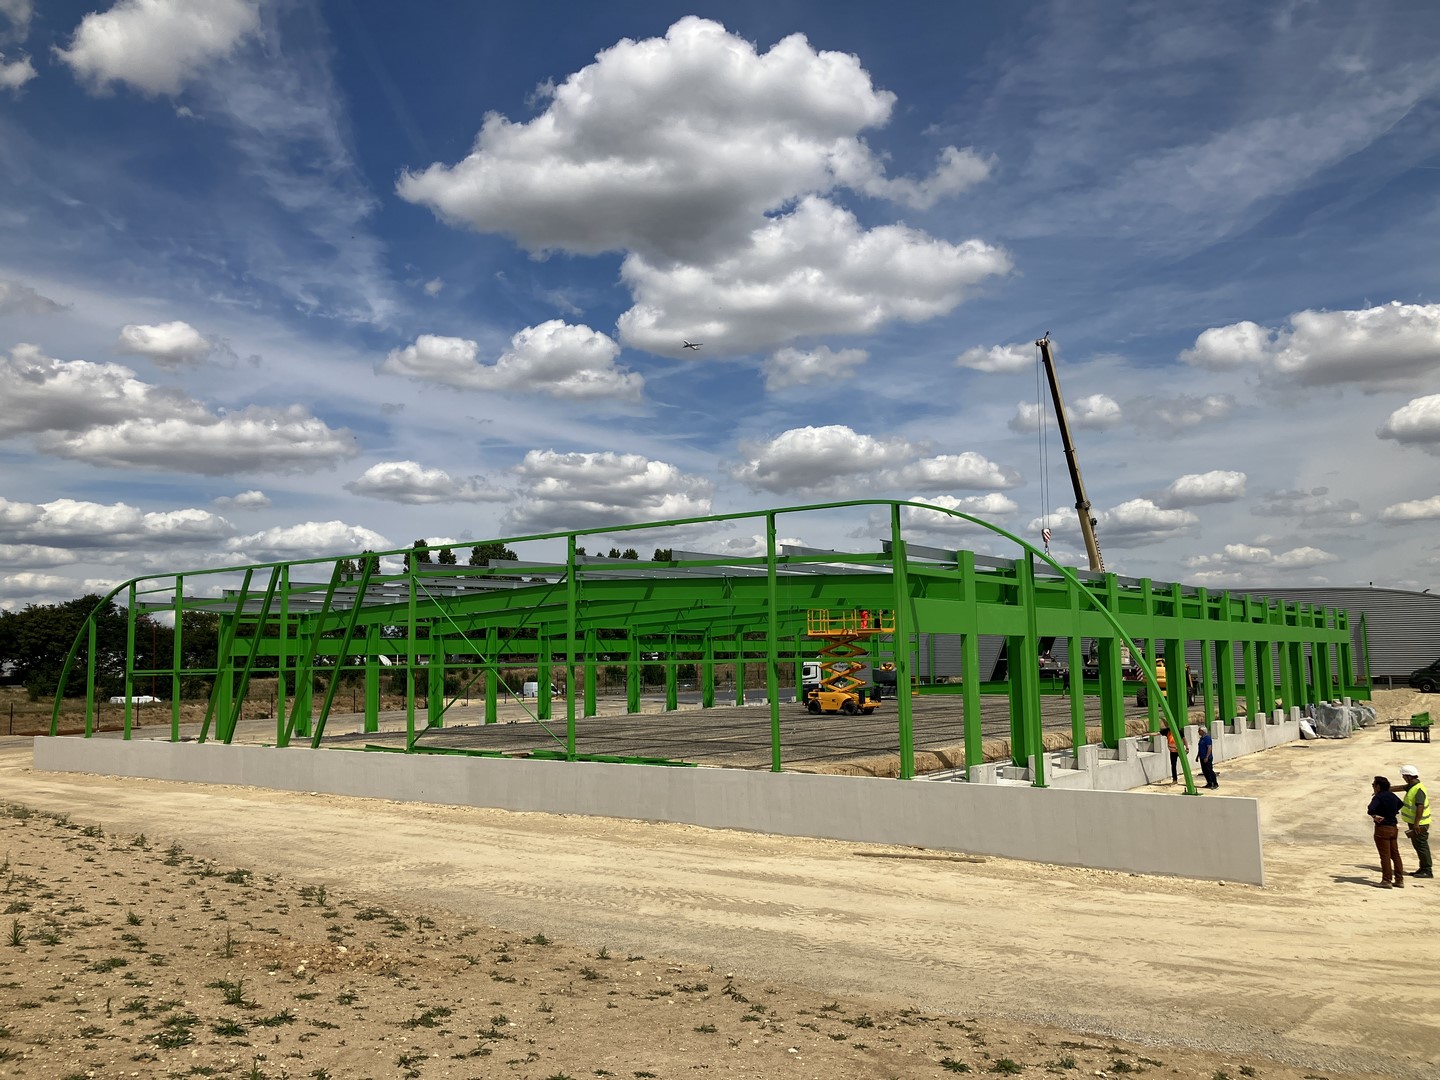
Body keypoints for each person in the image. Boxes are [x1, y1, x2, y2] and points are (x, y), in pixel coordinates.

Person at [1368, 776, 1405, 888]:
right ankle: (1399, 879)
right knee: (1395, 855)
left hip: (1382, 828)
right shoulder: (1392, 795)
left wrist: (1375, 816)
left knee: (1385, 856)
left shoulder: (1378, 796)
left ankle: (1386, 880)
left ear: (1378, 786)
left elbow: (1370, 809)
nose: (1373, 787)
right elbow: (1400, 804)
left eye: (1374, 785)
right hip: (1393, 828)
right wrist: (1392, 812)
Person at [1397, 764, 1432, 879]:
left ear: (1408, 776)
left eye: (1403, 776)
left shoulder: (1418, 789)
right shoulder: (1413, 785)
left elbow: (1420, 807)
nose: (1403, 778)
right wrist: (1383, 789)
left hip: (1420, 824)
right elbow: (1400, 788)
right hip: (1415, 823)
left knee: (1421, 846)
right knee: (1417, 845)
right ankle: (1422, 868)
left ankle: (1427, 870)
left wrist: (1416, 824)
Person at [1196, 723, 1218, 790]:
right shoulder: (1201, 739)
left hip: (1207, 758)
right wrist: (1197, 756)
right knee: (1204, 771)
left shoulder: (1207, 738)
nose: (1198, 732)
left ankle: (1215, 783)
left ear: (1203, 731)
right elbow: (1200, 748)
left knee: (1209, 770)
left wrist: (1207, 757)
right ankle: (1209, 783)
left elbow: (1209, 748)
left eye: (1199, 730)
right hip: (1202, 757)